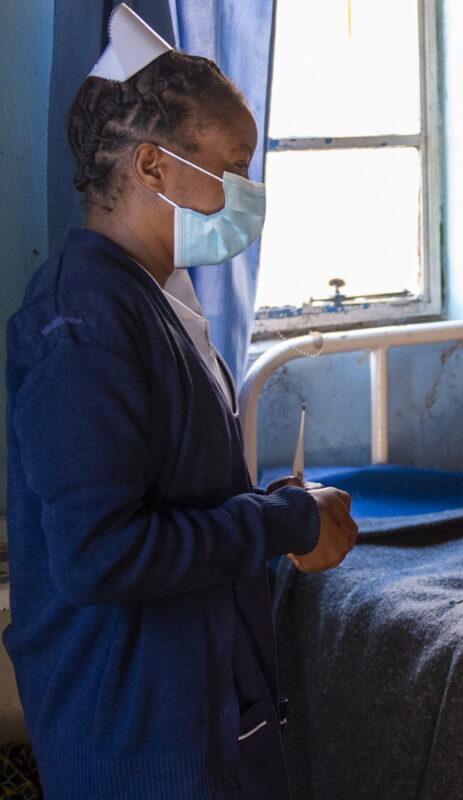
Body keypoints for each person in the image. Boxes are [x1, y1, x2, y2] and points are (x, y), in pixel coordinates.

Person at [4, 10, 357, 799]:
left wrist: (276, 506)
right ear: (154, 168)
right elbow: (102, 554)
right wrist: (282, 523)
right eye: (233, 168)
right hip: (133, 738)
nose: (248, 193)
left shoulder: (153, 298)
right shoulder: (82, 321)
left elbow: (178, 497)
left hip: (196, 713)